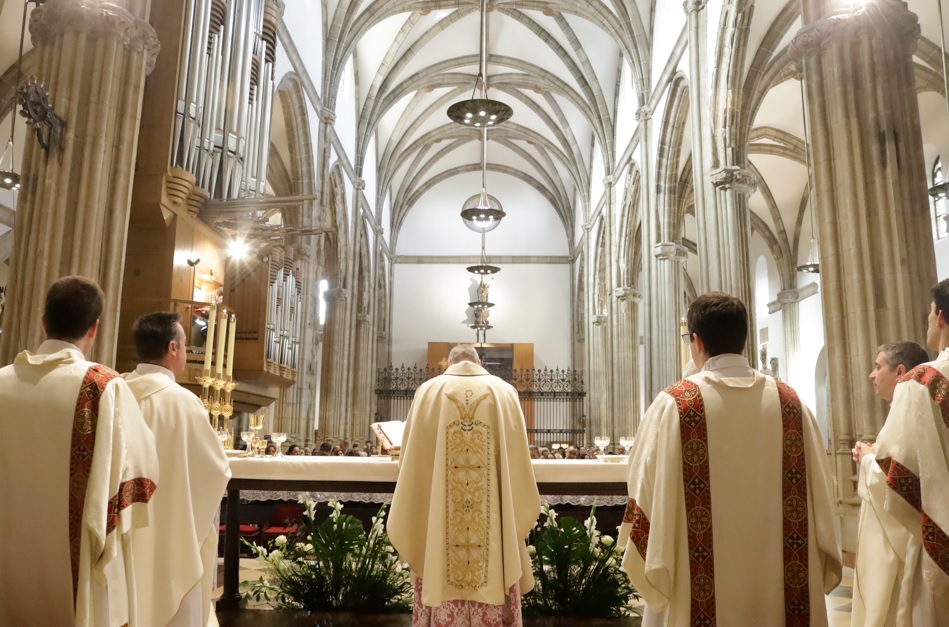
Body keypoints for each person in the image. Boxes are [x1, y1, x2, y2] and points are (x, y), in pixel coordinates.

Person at [620, 292, 841, 627]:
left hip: (696, 595)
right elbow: (823, 498)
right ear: (743, 338)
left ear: (696, 341)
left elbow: (643, 483)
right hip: (786, 596)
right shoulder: (791, 404)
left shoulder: (676, 405)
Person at [0, 276, 160, 626]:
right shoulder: (102, 386)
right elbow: (142, 470)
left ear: (43, 322)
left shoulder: (1, 383)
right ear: (95, 327)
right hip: (75, 567)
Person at [388, 343, 540, 626]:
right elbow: (519, 459)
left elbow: (409, 459)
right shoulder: (504, 392)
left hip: (440, 524)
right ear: (479, 361)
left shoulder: (428, 392)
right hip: (492, 524)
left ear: (448, 362)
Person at [851, 281, 949, 626]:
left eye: (929, 312)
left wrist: (866, 459)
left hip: (941, 538)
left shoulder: (923, 381)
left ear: (940, 318)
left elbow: (900, 479)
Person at [124, 311, 231, 627]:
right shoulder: (183, 402)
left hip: (123, 529)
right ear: (173, 348)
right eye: (186, 344)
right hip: (172, 532)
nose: (186, 351)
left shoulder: (112, 393)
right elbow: (215, 471)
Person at [851, 341, 929, 493]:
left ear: (899, 372)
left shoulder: (910, 412)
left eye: (878, 367)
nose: (871, 375)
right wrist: (876, 451)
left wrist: (867, 458)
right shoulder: (904, 408)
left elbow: (902, 482)